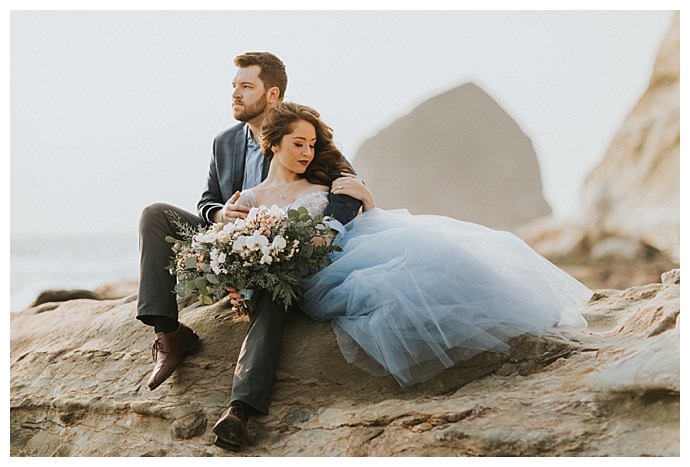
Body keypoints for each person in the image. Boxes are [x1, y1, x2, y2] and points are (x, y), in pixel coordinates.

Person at [227, 101, 591, 445]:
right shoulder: (250, 201)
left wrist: (365, 200)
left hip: (350, 254)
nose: (307, 152)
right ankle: (240, 410)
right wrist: (237, 283)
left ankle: (520, 310)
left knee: (439, 257)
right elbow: (236, 252)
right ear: (272, 143)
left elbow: (356, 220)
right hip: (309, 279)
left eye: (311, 144)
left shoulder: (329, 185)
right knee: (384, 290)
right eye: (298, 143)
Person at [135, 53, 361, 450]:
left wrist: (324, 231)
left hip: (283, 255)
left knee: (274, 289)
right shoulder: (224, 141)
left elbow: (347, 189)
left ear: (271, 94)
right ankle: (170, 335)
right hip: (229, 242)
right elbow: (206, 201)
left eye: (246, 87)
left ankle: (239, 411)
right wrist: (221, 213)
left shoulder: (306, 138)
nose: (235, 95)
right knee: (155, 215)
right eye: (233, 87)